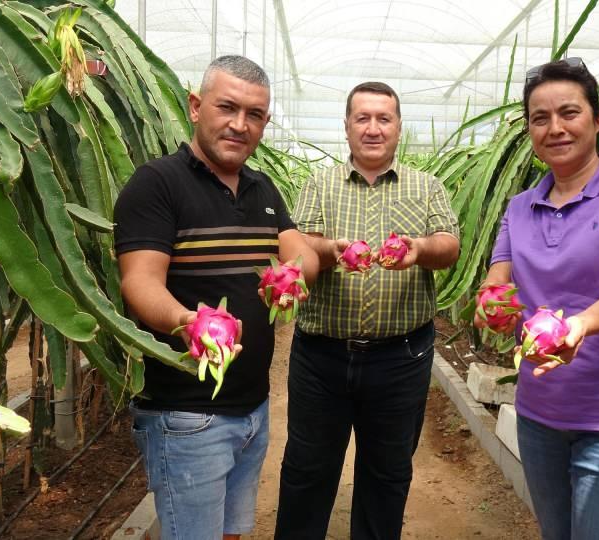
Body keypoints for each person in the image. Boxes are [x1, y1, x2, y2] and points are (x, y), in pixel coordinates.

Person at [113, 55, 318, 540]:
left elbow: (300, 252)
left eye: (255, 115)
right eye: (227, 107)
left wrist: (292, 275)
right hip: (186, 414)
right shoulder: (156, 184)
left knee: (231, 533)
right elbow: (139, 281)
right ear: (195, 106)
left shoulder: (261, 187)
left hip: (252, 409)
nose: (239, 124)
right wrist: (189, 322)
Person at [478, 59, 599, 539]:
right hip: (541, 411)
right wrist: (494, 307)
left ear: (597, 119)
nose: (555, 128)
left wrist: (578, 327)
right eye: (539, 118)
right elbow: (497, 277)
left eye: (569, 112)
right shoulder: (519, 207)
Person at [274, 81, 460, 539]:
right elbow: (298, 247)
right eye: (363, 118)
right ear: (347, 127)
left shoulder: (427, 187)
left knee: (388, 473)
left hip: (401, 358)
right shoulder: (319, 186)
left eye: (384, 118)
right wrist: (329, 248)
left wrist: (418, 248)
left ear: (398, 127)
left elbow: (450, 245)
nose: (373, 129)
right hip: (321, 356)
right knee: (307, 470)